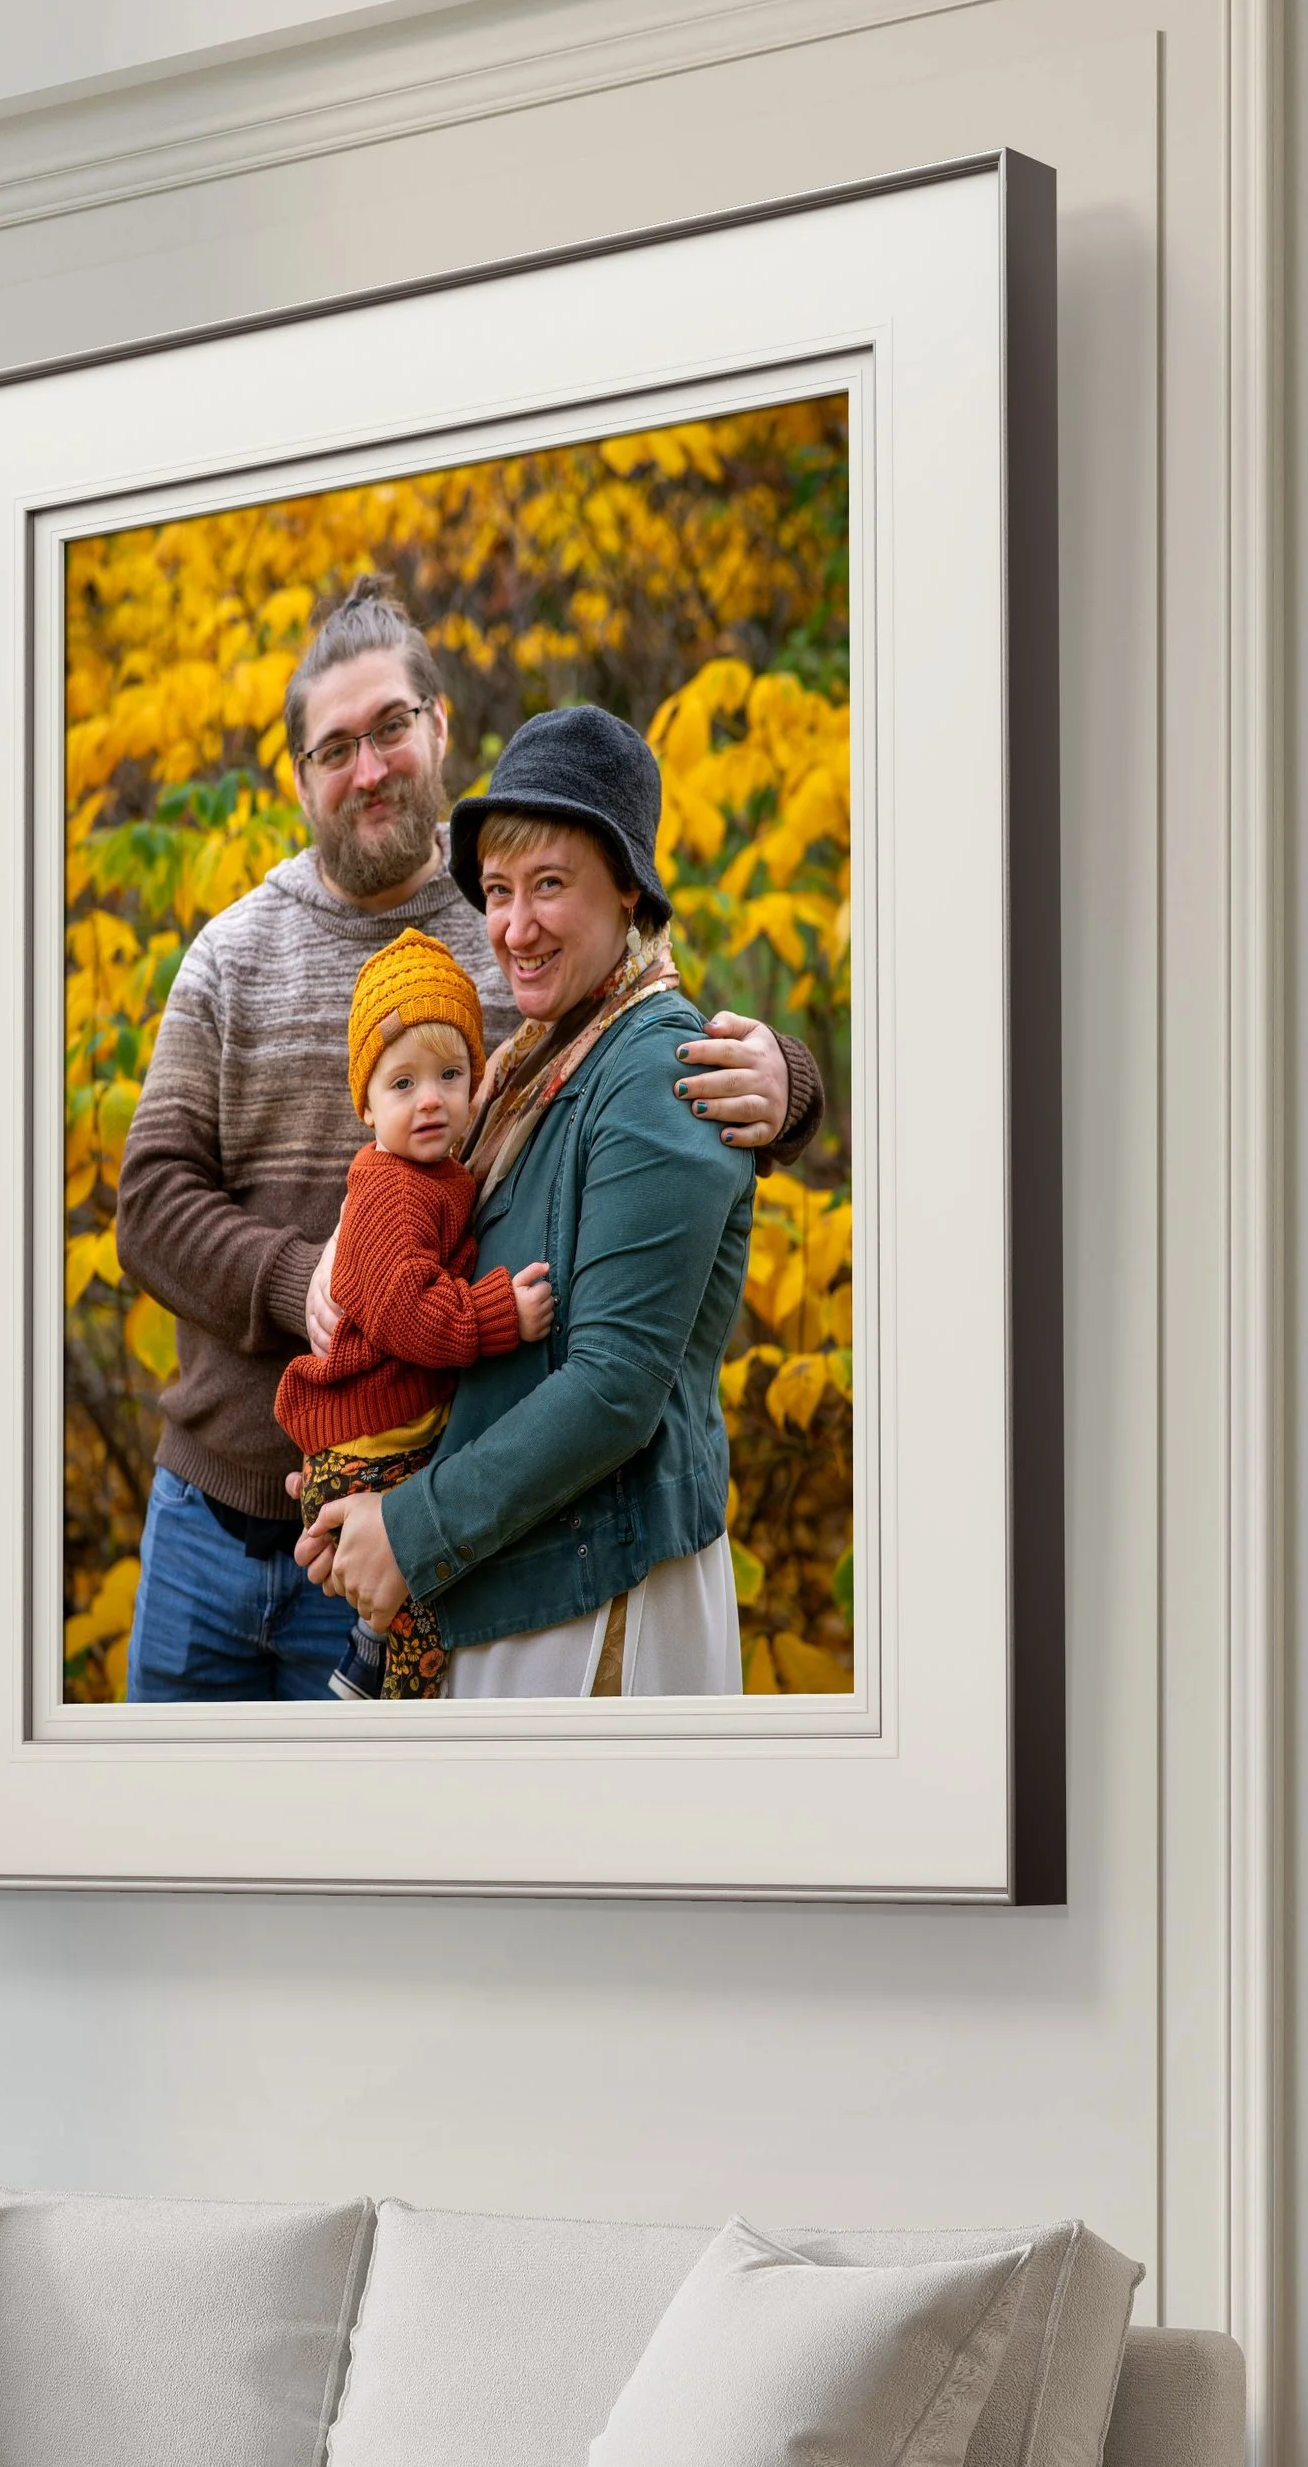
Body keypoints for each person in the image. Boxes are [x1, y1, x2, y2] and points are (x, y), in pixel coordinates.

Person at [112, 577, 822, 1702]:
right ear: (298, 777)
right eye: (333, 745)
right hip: (221, 1504)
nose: (370, 765)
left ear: (438, 725)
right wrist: (309, 1279)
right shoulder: (233, 952)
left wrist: (786, 1083)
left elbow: (647, 1048)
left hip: (422, 1508)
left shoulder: (508, 930)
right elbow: (146, 1204)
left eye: (391, 726)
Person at [295, 702, 764, 1697]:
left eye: (549, 885)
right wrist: (370, 1469)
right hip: (518, 1575)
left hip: (603, 1602)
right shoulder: (530, 1066)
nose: (514, 925)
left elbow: (613, 1387)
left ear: (626, 889)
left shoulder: (655, 1069)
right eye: (498, 890)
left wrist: (411, 1529)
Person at [273, 932, 555, 1700]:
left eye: (449, 1074)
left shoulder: (436, 1174)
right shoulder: (393, 1190)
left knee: (416, 1562)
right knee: (424, 1584)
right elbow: (409, 1315)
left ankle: (370, 1659)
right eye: (403, 1083)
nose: (430, 1097)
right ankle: (391, 1700)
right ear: (365, 1104)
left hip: (380, 1437)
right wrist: (500, 1314)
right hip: (365, 1442)